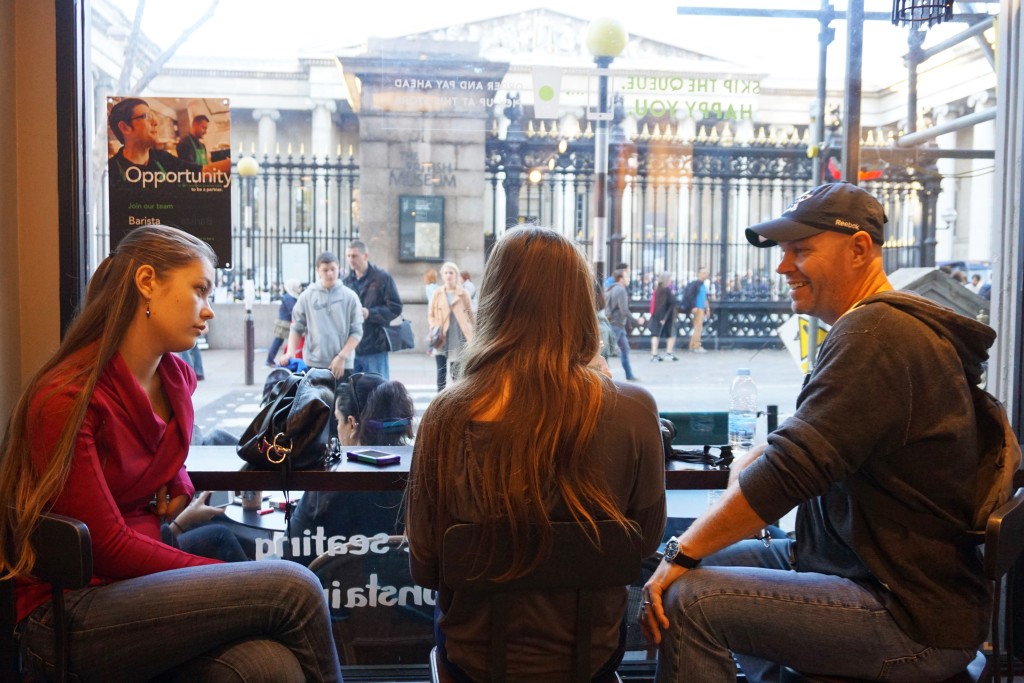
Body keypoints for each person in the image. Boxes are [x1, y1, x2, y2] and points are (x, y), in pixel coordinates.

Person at [640, 182, 995, 683]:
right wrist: (707, 528)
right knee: (699, 562)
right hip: (855, 565)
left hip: (909, 614)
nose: (784, 266)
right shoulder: (871, 328)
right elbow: (801, 440)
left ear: (859, 249)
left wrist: (682, 552)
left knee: (688, 597)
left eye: (802, 250)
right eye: (784, 251)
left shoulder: (876, 335)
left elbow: (789, 473)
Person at [0, 225, 342, 682]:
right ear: (147, 282)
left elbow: (157, 455)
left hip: (141, 588)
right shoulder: (66, 396)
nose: (209, 310)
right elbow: (106, 546)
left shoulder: (176, 378)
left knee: (268, 665)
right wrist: (224, 579)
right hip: (71, 609)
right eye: (199, 289)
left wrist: (177, 479)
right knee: (293, 587)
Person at [407, 226, 666, 683]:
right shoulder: (634, 410)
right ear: (581, 306)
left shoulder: (447, 416)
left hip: (474, 665)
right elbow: (642, 544)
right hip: (592, 659)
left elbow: (426, 565)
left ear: (494, 303)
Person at [285, 373, 414, 565]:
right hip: (404, 592)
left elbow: (293, 554)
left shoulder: (328, 486)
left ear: (352, 424)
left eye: (338, 420)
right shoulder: (418, 474)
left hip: (328, 591)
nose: (337, 428)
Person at [280, 250, 363, 381]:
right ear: (318, 270)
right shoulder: (307, 297)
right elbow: (296, 327)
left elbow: (357, 332)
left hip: (342, 365)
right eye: (325, 270)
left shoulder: (350, 297)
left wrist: (341, 357)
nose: (330, 273)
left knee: (341, 402)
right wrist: (290, 352)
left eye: (333, 269)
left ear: (338, 269)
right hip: (313, 364)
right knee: (315, 402)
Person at [107, 98, 230, 185]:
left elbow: (201, 173)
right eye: (147, 117)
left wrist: (236, 163)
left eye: (153, 116)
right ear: (125, 128)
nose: (156, 122)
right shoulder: (111, 170)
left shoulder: (161, 158)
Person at [343, 240, 403, 378]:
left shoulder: (382, 278)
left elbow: (395, 307)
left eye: (354, 256)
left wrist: (370, 313)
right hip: (352, 346)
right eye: (348, 256)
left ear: (365, 256)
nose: (351, 260)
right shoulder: (346, 281)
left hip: (375, 344)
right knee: (353, 393)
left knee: (378, 390)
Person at [427, 261, 474, 391]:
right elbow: (430, 314)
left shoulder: (463, 293)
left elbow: (471, 315)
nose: (448, 275)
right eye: (446, 273)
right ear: (442, 275)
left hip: (458, 336)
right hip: (441, 336)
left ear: (456, 275)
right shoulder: (437, 293)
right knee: (440, 373)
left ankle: (456, 403)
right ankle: (439, 403)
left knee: (457, 375)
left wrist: (474, 333)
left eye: (451, 273)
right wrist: (433, 327)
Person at [605, 267, 638, 381]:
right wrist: (636, 320)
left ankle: (629, 374)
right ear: (621, 279)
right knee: (608, 351)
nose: (628, 278)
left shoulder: (612, 288)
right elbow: (624, 310)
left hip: (616, 324)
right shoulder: (620, 290)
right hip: (616, 324)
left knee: (624, 349)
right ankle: (603, 376)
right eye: (626, 276)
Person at [266, 278, 302, 366]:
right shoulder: (288, 297)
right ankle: (269, 360)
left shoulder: (292, 296)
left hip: (288, 322)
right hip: (284, 323)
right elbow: (293, 310)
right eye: (298, 287)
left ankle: (272, 360)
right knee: (278, 341)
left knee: (280, 341)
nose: (300, 289)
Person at [650, 271, 679, 361]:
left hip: (657, 315)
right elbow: (662, 304)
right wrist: (663, 317)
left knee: (656, 335)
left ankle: (654, 354)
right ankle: (668, 353)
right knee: (670, 335)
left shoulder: (658, 289)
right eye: (670, 278)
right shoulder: (665, 290)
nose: (671, 280)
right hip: (665, 316)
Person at [687, 266, 711, 352]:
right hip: (698, 308)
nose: (706, 275)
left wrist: (707, 309)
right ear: (699, 274)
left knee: (698, 327)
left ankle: (693, 345)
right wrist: (693, 306)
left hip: (702, 308)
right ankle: (696, 345)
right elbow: (691, 295)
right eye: (704, 273)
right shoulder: (696, 284)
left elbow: (705, 298)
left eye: (706, 273)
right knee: (698, 327)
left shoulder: (703, 285)